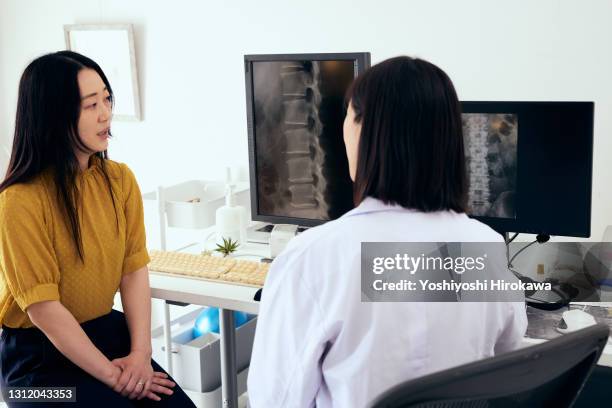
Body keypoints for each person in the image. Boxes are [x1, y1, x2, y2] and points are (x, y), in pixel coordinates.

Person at [247, 56, 528, 407]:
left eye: (347, 116)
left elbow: (276, 400)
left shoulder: (314, 258)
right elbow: (507, 361)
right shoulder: (483, 246)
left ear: (365, 131)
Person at [0, 51, 195, 407]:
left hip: (107, 334)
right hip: (34, 367)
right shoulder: (19, 200)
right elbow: (43, 309)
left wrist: (139, 355)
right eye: (91, 105)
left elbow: (134, 270)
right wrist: (113, 378)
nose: (106, 113)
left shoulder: (119, 180)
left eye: (106, 98)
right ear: (53, 114)